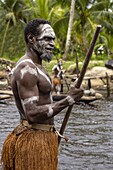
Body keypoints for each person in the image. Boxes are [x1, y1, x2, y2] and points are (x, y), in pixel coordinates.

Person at [1, 18, 83, 170]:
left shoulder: (39, 67)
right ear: (31, 39)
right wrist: (69, 100)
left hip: (43, 137)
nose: (52, 43)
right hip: (33, 139)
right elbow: (32, 114)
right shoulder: (27, 68)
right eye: (46, 38)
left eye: (53, 39)